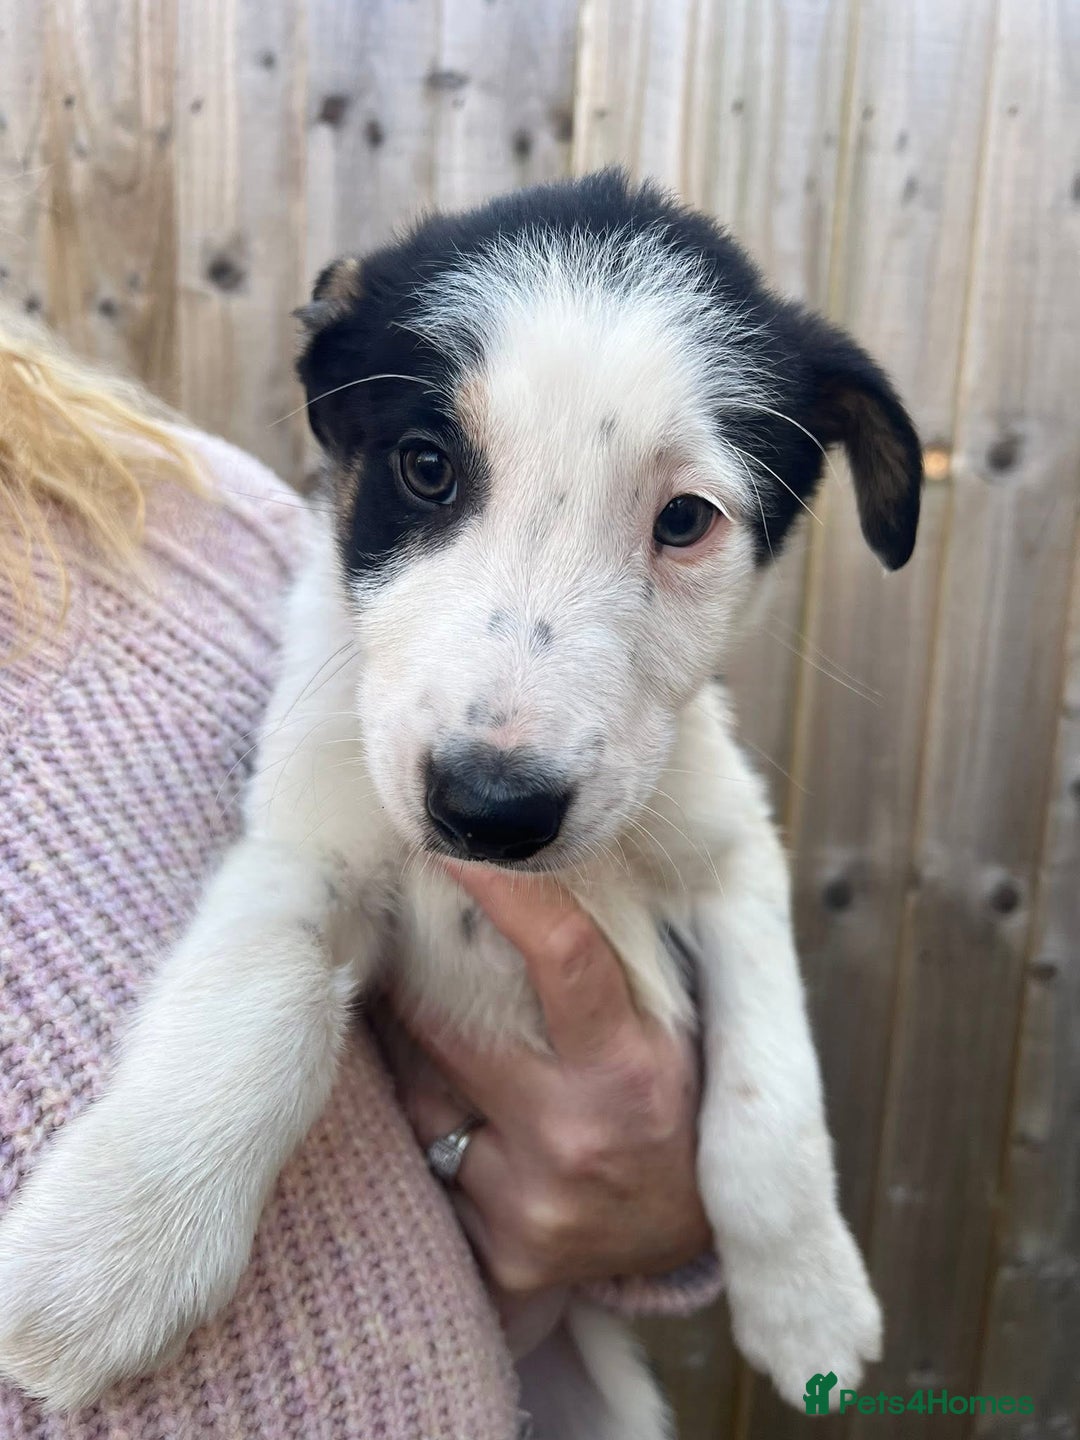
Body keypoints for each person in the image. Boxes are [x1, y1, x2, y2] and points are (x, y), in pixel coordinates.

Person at [0, 307, 719, 1439]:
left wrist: (665, 1204)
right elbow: (306, 875)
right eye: (433, 470)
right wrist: (175, 1157)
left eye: (679, 521)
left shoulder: (200, 509)